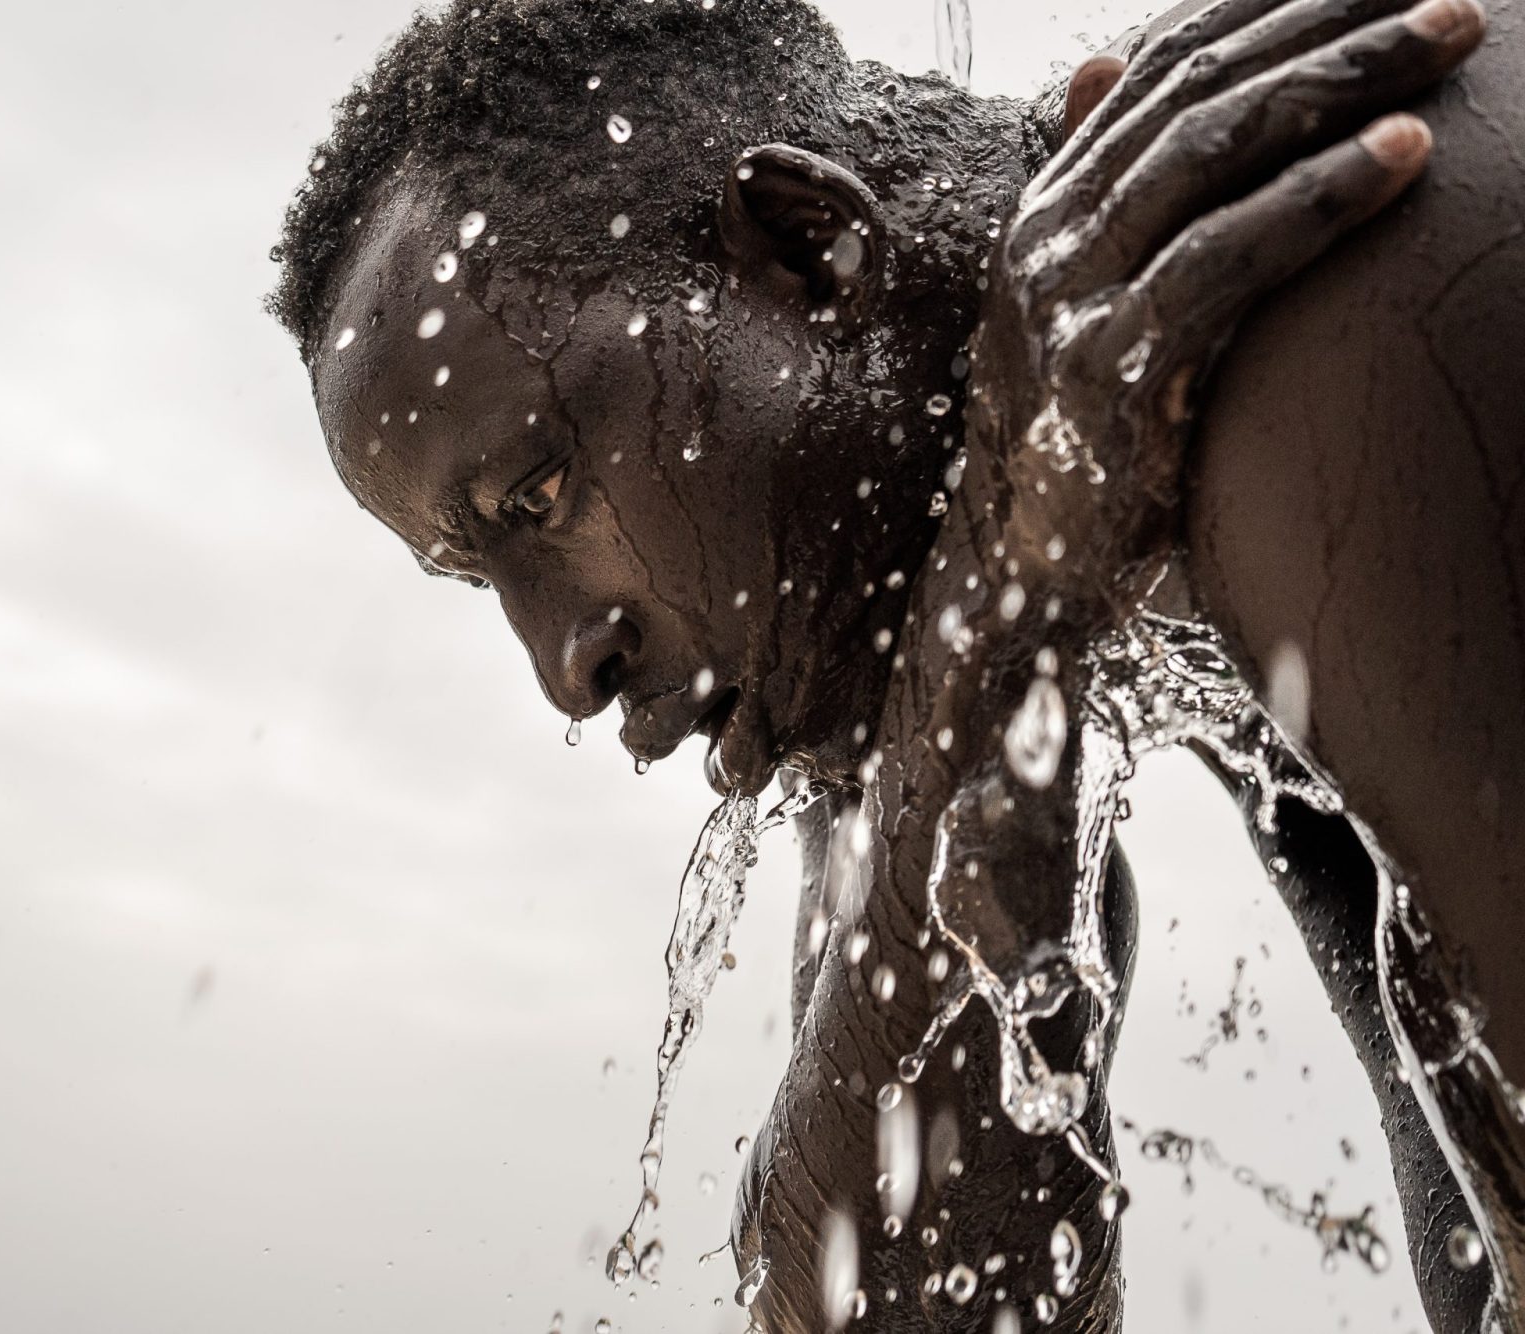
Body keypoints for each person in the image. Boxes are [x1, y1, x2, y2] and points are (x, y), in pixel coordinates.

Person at [268, 0, 1519, 1327]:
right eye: (478, 580)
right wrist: (990, 614)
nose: (563, 674)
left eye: (541, 489)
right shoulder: (952, 580)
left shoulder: (1349, 276)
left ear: (810, 253)